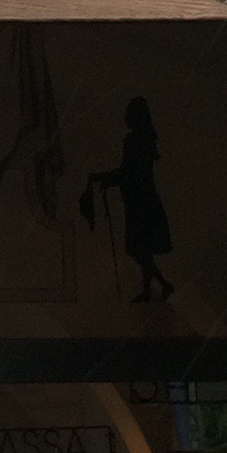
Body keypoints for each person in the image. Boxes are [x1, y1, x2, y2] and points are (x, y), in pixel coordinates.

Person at [81, 95, 174, 301]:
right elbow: (132, 172)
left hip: (140, 202)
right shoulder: (146, 139)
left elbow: (129, 172)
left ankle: (158, 285)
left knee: (138, 248)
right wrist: (109, 179)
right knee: (142, 248)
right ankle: (154, 287)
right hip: (145, 200)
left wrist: (103, 178)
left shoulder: (133, 140)